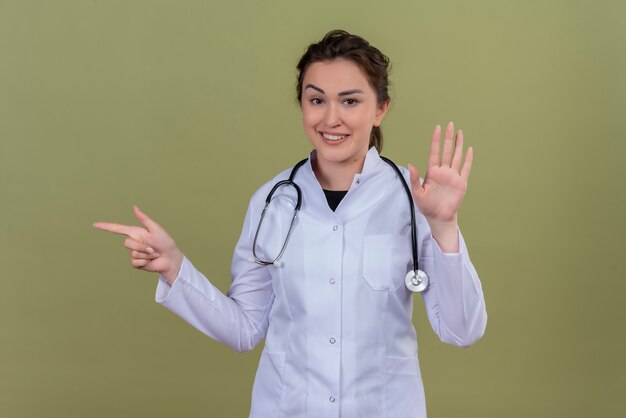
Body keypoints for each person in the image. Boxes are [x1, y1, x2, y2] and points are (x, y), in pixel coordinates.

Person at [94, 30, 487, 418]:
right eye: (317, 99)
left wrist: (444, 224)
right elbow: (245, 329)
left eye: (350, 101)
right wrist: (175, 267)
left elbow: (462, 330)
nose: (331, 118)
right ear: (302, 104)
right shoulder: (272, 202)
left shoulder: (414, 200)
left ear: (380, 108)